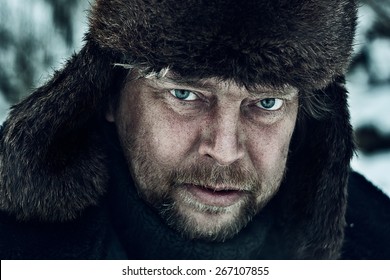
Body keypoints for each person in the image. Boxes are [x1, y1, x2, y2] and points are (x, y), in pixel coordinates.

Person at [0, 0, 389, 260]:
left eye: (267, 103)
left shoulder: (375, 244)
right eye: (185, 94)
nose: (223, 149)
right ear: (109, 95)